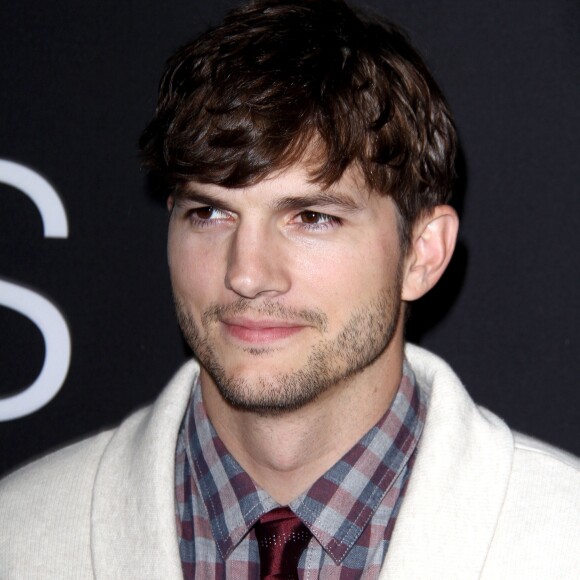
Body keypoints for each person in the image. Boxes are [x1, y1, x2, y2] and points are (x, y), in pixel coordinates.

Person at [1, 0, 578, 578]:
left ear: (422, 253)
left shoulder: (561, 538)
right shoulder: (20, 535)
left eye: (312, 218)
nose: (247, 274)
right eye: (210, 212)